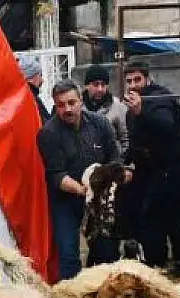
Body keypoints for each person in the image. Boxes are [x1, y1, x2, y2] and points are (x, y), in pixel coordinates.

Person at [37, 79, 126, 281]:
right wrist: (81, 189)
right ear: (55, 105)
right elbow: (55, 174)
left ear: (80, 101)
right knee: (68, 255)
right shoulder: (48, 133)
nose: (67, 109)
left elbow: (114, 158)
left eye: (71, 102)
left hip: (99, 197)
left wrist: (111, 180)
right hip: (66, 200)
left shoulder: (100, 123)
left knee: (106, 250)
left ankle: (105, 291)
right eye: (61, 105)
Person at [122, 59, 180, 276]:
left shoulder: (159, 97)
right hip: (150, 171)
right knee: (152, 220)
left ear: (147, 79)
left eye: (137, 79)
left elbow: (165, 126)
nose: (133, 85)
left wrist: (141, 111)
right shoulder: (132, 108)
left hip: (172, 170)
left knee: (173, 221)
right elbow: (136, 140)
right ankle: (160, 265)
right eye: (129, 81)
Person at [82, 65, 130, 156]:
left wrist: (124, 163)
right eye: (96, 84)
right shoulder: (78, 107)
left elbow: (125, 139)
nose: (100, 89)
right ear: (87, 86)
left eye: (103, 85)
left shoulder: (118, 107)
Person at [18, 56, 51, 123]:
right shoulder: (31, 99)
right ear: (32, 76)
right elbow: (45, 127)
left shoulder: (18, 98)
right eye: (40, 75)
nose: (42, 80)